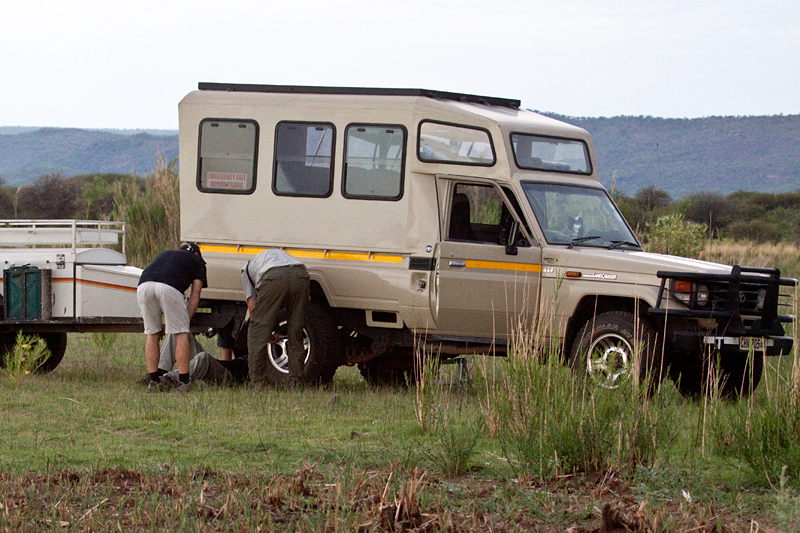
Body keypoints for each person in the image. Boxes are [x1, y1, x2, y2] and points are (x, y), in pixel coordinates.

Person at [137, 242, 207, 392]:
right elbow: (196, 294)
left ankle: (153, 380)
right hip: (169, 288)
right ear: (196, 254)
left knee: (152, 333)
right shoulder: (197, 261)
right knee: (181, 333)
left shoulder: (166, 254)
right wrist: (185, 318)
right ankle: (184, 381)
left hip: (144, 286)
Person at [242, 249, 309, 387]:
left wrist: (267, 332)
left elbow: (252, 305)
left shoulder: (246, 271)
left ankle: (257, 383)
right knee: (295, 332)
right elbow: (307, 298)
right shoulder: (277, 255)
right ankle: (295, 382)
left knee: (256, 333)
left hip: (274, 277)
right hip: (301, 275)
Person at [150, 334, 248, 390]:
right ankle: (158, 373)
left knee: (204, 358)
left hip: (233, 376)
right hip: (224, 366)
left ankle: (169, 380)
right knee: (181, 335)